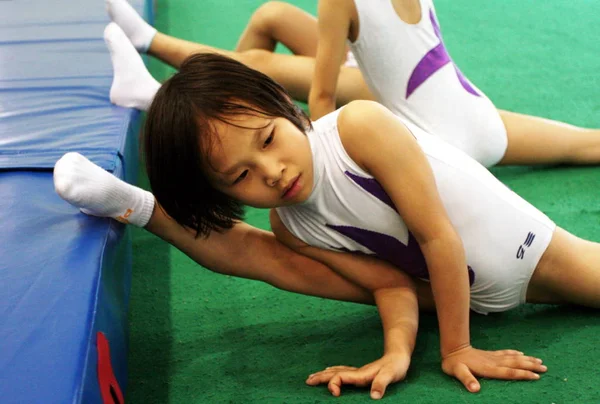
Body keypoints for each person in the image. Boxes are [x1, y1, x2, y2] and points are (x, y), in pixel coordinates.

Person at [140, 52, 600, 399]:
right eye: (241, 176)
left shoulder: (358, 129)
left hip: (535, 253)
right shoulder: (290, 227)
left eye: (268, 139)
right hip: (484, 296)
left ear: (283, 102)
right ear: (222, 194)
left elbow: (436, 235)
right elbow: (390, 285)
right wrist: (396, 353)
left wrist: (456, 348)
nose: (272, 171)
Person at [106, 0, 600, 167]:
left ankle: (151, 43)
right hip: (473, 113)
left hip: (433, 133)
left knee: (263, 66)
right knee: (581, 145)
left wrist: (328, 169)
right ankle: (199, 86)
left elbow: (321, 98)